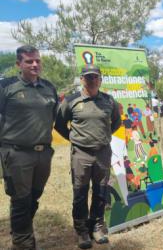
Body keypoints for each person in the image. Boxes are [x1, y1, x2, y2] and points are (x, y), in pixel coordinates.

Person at [55, 64, 121, 249]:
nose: (92, 80)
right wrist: (75, 139)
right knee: (80, 193)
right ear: (82, 79)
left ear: (100, 79)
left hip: (102, 153)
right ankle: (82, 231)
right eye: (88, 77)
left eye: (95, 77)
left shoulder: (109, 101)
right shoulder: (71, 100)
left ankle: (97, 227)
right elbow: (60, 124)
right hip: (81, 154)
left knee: (101, 192)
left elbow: (115, 122)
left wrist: (103, 137)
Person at [0, 45, 58, 249]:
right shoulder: (6, 87)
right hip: (17, 154)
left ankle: (20, 230)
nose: (35, 64)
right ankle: (23, 243)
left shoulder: (49, 87)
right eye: (29, 61)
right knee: (21, 199)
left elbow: (54, 116)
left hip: (43, 154)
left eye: (37, 60)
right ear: (18, 64)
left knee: (34, 197)